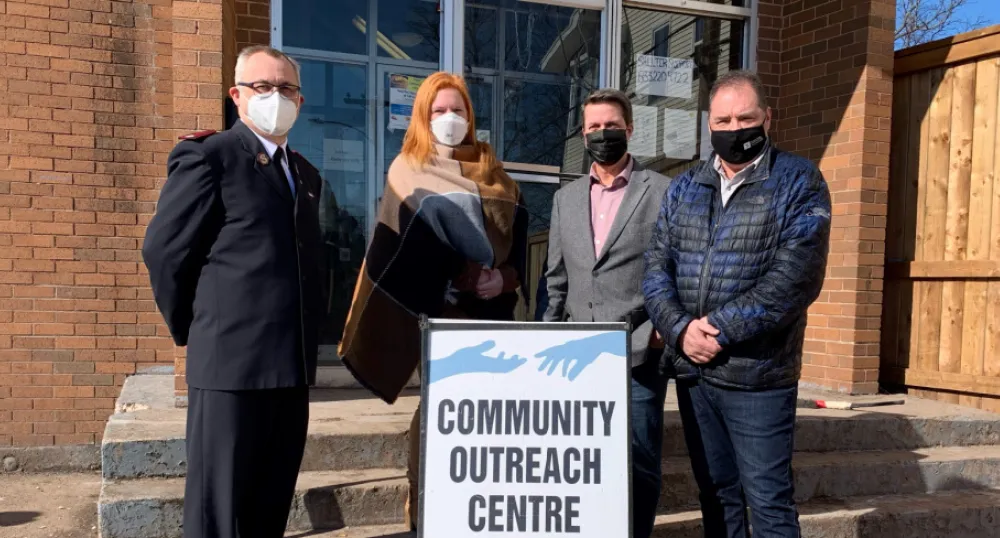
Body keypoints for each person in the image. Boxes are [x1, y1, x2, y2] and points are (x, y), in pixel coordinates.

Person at [142, 45, 326, 538]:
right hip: (230, 367)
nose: (276, 96)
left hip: (289, 372)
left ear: (300, 101)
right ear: (237, 95)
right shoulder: (210, 157)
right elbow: (165, 251)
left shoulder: (306, 175)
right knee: (217, 515)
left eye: (286, 88)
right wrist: (196, 327)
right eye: (263, 87)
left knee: (270, 507)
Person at [643, 70, 831, 538]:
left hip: (757, 376)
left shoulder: (798, 182)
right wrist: (682, 329)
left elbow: (794, 279)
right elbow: (656, 269)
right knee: (716, 494)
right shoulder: (683, 187)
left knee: (768, 503)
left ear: (767, 118)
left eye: (744, 117)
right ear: (709, 125)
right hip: (694, 373)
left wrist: (719, 330)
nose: (734, 128)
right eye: (723, 119)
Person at [338, 72, 528, 531]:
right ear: (423, 117)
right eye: (438, 111)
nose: (449, 119)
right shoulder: (407, 170)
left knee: (494, 423)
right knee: (442, 422)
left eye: (457, 110)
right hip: (437, 323)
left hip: (494, 322)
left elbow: (519, 260)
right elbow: (396, 254)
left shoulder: (500, 179)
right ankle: (429, 513)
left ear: (471, 117)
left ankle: (488, 514)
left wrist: (500, 280)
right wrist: (459, 275)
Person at [542, 88, 671, 538]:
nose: (603, 134)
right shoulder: (566, 198)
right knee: (581, 457)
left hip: (639, 353)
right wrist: (545, 340)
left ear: (629, 129)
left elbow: (675, 270)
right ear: (583, 134)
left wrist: (659, 331)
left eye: (612, 125)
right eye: (594, 127)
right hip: (577, 356)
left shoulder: (661, 192)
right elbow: (556, 279)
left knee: (638, 461)